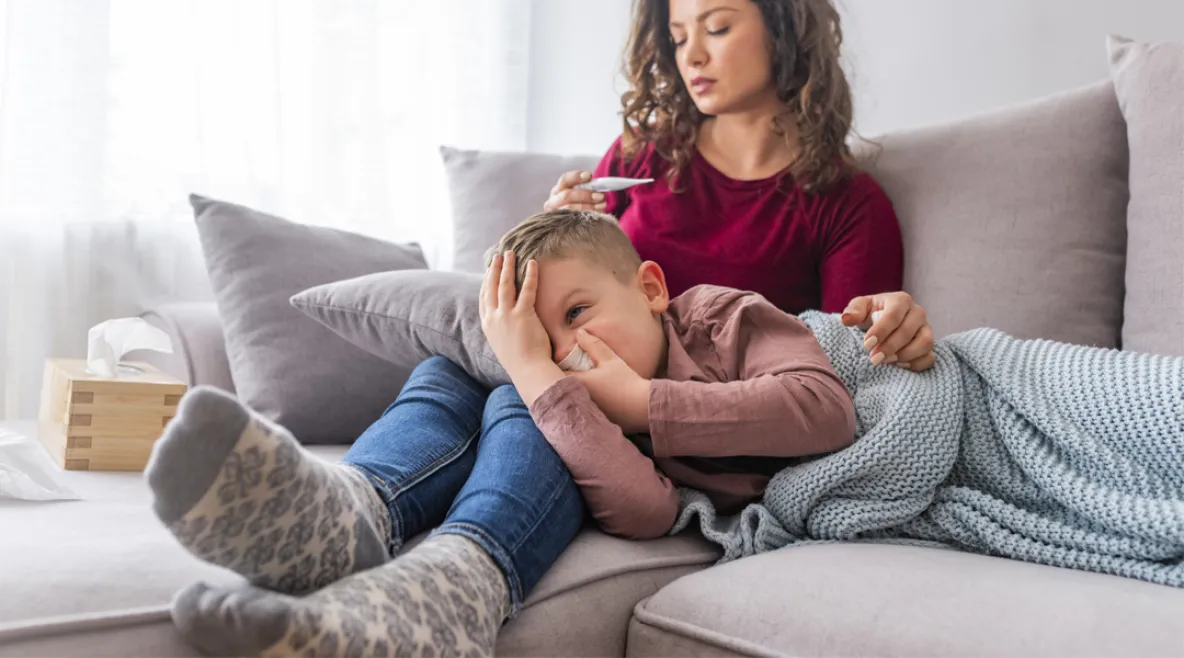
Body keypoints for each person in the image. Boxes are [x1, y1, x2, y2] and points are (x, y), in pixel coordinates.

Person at [144, 210, 930, 656]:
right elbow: (644, 504)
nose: (570, 351)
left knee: (527, 386)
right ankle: (349, 511)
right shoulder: (570, 371)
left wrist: (635, 401)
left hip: (880, 389)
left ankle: (450, 591)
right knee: (469, 371)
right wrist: (534, 370)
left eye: (579, 315)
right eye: (549, 336)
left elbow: (826, 409)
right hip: (567, 411)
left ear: (651, 288)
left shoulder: (719, 317)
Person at [543, 0, 933, 370]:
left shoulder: (849, 205)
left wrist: (897, 336)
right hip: (588, 386)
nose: (691, 55)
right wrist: (554, 242)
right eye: (679, 38)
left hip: (724, 418)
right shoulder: (641, 153)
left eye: (717, 28)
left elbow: (850, 368)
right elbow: (564, 308)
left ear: (784, 30)